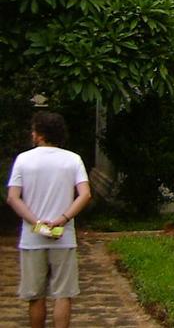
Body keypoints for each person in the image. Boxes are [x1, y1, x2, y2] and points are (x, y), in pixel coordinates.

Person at [6, 112, 91, 328]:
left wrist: (37, 223)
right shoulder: (73, 159)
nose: (32, 134)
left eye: (34, 130)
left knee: (36, 296)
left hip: (32, 238)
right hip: (63, 237)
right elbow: (85, 194)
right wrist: (62, 219)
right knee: (63, 294)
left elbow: (13, 197)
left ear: (40, 134)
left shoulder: (23, 159)